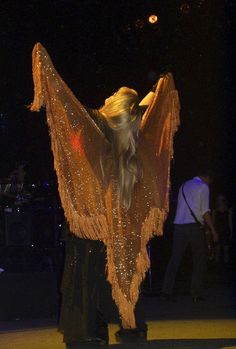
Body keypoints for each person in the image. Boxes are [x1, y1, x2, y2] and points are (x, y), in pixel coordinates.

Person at [29, 42, 180, 345]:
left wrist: (49, 76)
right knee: (124, 271)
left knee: (90, 276)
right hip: (121, 223)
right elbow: (142, 112)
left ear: (117, 108)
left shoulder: (96, 126)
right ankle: (131, 327)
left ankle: (90, 331)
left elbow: (69, 110)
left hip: (95, 220)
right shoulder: (133, 141)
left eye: (113, 96)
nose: (107, 96)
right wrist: (159, 91)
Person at [161, 170, 218, 302]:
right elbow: (205, 211)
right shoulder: (203, 187)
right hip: (193, 227)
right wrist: (213, 230)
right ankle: (195, 294)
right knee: (199, 260)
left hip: (179, 225)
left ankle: (166, 291)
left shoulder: (183, 185)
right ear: (208, 178)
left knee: (175, 259)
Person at [212, 194, 233, 266]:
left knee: (226, 250)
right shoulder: (215, 211)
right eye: (219, 199)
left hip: (226, 232)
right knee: (217, 250)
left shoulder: (228, 211)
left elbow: (230, 223)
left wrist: (231, 232)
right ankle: (216, 266)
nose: (220, 201)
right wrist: (213, 232)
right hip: (217, 232)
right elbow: (213, 222)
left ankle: (225, 266)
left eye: (222, 199)